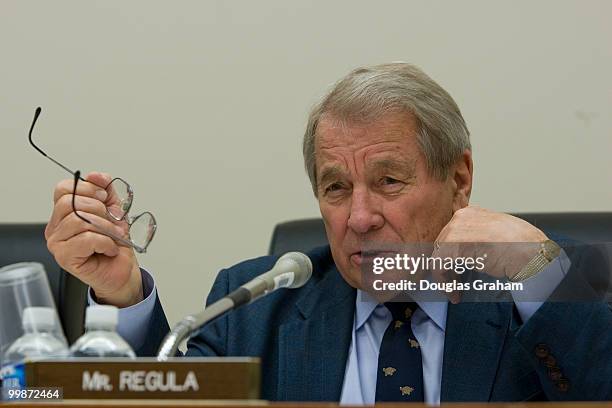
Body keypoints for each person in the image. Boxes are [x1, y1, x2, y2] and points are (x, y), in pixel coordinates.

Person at [45, 63, 611, 402]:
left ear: (458, 178)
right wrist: (122, 295)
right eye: (336, 188)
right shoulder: (258, 305)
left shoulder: (532, 292)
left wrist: (538, 273)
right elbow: (165, 397)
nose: (359, 218)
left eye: (388, 181)